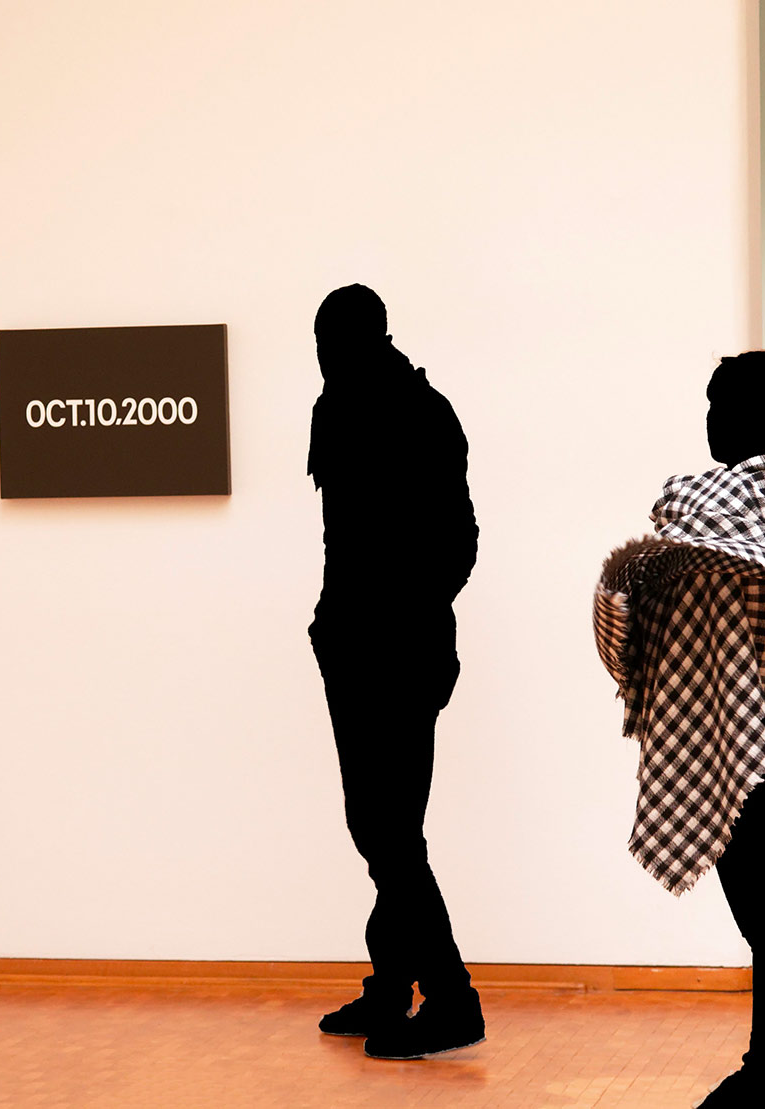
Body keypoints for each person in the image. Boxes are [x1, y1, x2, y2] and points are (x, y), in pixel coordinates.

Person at [591, 351, 765, 1108]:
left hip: (754, 740)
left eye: (717, 408)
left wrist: (635, 576)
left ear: (747, 419)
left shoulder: (749, 499)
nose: (708, 422)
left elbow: (682, 530)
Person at [307, 284, 485, 1061]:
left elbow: (460, 540)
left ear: (371, 339)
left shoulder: (423, 414)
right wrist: (331, 620)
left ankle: (452, 998)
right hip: (350, 646)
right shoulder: (334, 408)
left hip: (404, 652)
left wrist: (403, 613)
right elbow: (339, 535)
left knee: (387, 829)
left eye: (334, 342)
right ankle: (391, 986)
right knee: (379, 825)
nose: (325, 357)